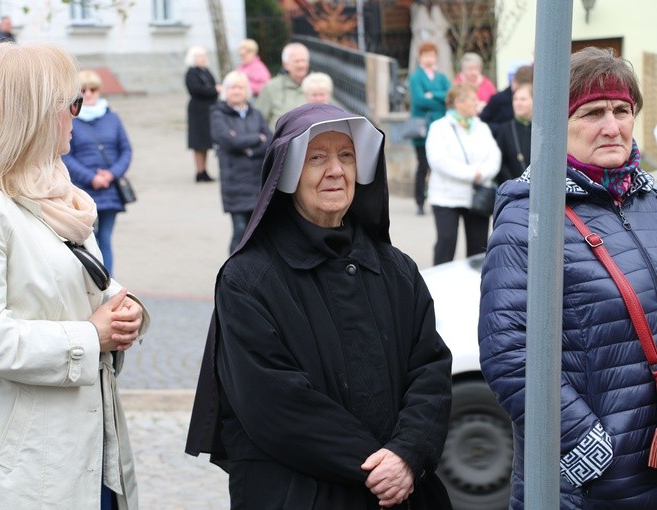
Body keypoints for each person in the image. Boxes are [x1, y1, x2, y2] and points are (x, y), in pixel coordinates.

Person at [0, 43, 149, 510]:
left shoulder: (55, 190)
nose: (77, 116)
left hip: (82, 446)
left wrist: (127, 307)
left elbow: (81, 281)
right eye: (72, 103)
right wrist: (90, 335)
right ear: (31, 112)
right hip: (14, 464)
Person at [186, 103, 453, 509]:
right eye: (317, 158)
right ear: (288, 174)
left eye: (346, 156)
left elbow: (430, 370)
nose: (336, 170)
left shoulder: (397, 270)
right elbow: (275, 402)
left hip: (397, 490)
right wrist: (379, 468)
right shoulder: (247, 280)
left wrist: (407, 453)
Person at [479, 46, 657, 508]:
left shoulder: (651, 201)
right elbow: (509, 352)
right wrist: (589, 450)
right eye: (593, 112)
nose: (612, 125)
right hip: (598, 484)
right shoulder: (531, 218)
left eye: (622, 110)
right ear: (558, 123)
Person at [62, 69, 132, 274]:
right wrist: (90, 177)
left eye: (93, 89)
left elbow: (126, 150)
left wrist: (111, 174)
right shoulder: (70, 119)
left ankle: (107, 282)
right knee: (87, 241)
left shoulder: (113, 118)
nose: (89, 93)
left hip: (109, 191)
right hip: (83, 189)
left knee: (105, 239)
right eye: (83, 90)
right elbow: (65, 155)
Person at [425, 82, 500, 265]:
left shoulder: (481, 127)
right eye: (473, 100)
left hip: (477, 196)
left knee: (478, 247)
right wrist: (471, 174)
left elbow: (494, 155)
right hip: (446, 197)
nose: (477, 103)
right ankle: (437, 286)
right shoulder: (439, 127)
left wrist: (481, 173)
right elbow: (438, 160)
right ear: (458, 102)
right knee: (446, 242)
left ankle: (476, 286)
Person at [210, 71, 271, 254]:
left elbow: (269, 140)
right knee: (240, 231)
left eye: (240, 87)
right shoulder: (218, 114)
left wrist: (248, 148)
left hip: (257, 183)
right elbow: (227, 141)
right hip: (235, 183)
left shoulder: (256, 114)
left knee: (260, 233)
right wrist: (256, 138)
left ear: (247, 91)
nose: (236, 91)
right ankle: (233, 273)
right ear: (225, 91)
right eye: (232, 88)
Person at [408, 41, 451, 216]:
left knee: (440, 164)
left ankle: (438, 198)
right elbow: (419, 100)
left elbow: (449, 95)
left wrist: (432, 94)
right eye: (426, 55)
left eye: (432, 55)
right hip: (423, 129)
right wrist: (438, 102)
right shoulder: (416, 77)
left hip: (440, 128)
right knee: (423, 165)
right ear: (420, 57)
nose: (429, 59)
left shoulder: (441, 77)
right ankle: (420, 201)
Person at [184, 45, 220, 182]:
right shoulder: (191, 73)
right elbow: (195, 90)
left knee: (206, 142)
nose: (204, 59)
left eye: (204, 56)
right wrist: (214, 90)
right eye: (200, 56)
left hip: (209, 109)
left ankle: (204, 170)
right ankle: (200, 171)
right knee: (198, 142)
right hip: (198, 111)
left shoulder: (206, 71)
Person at [255, 42, 309, 130]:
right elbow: (258, 119)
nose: (301, 65)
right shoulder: (271, 87)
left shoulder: (315, 85)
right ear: (285, 65)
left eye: (304, 60)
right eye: (297, 61)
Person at [493, 81, 532, 185]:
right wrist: (514, 185)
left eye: (523, 99)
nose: (518, 103)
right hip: (514, 191)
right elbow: (500, 164)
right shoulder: (505, 129)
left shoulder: (542, 130)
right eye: (515, 99)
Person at [480, 64, 533, 137]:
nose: (518, 102)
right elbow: (481, 123)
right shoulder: (498, 99)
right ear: (514, 82)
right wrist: (504, 129)